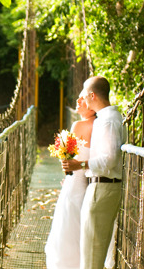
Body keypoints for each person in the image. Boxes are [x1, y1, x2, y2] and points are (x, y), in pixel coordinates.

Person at [62, 76, 126, 269]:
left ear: (92, 95)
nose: (82, 98)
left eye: (84, 94)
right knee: (92, 252)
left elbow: (110, 159)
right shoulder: (105, 119)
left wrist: (80, 165)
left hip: (102, 188)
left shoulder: (108, 121)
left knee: (91, 256)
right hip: (100, 187)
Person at [44, 92, 95, 269]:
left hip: (74, 185)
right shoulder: (99, 125)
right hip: (92, 185)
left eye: (83, 98)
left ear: (92, 103)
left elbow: (67, 163)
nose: (78, 100)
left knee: (66, 231)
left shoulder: (78, 125)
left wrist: (63, 158)